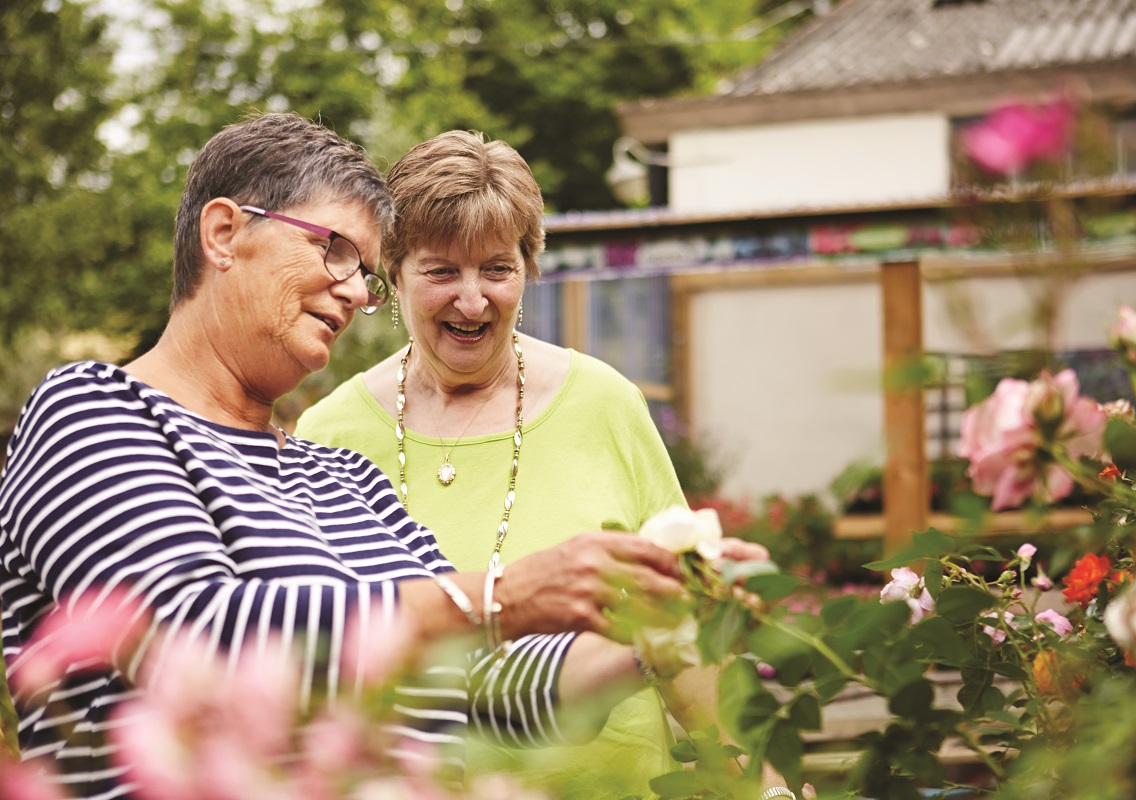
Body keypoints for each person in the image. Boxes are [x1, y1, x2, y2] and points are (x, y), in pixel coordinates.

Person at [0, 114, 746, 799]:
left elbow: (474, 680)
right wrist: (503, 596)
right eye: (334, 250)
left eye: (364, 267)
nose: (358, 292)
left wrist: (658, 632)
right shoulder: (95, 412)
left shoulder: (340, 475)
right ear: (224, 233)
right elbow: (193, 642)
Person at [295, 130, 790, 800]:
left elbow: (681, 628)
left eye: (496, 269)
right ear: (394, 271)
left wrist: (762, 784)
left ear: (528, 268)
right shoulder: (329, 434)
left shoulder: (605, 406)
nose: (472, 301)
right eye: (442, 271)